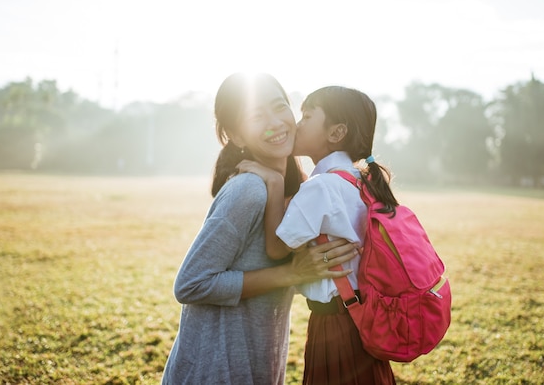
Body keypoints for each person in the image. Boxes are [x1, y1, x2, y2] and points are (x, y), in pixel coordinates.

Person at [160, 73, 359, 385]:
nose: (275, 122)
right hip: (213, 371)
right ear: (236, 136)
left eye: (280, 107)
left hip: (257, 365)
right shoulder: (249, 191)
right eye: (256, 115)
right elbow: (190, 283)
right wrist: (292, 273)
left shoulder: (297, 191)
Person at [237, 86, 398, 384]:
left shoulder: (321, 186)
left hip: (336, 327)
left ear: (336, 133)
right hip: (361, 318)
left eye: (308, 116)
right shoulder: (357, 179)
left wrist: (274, 182)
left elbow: (275, 248)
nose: (297, 124)